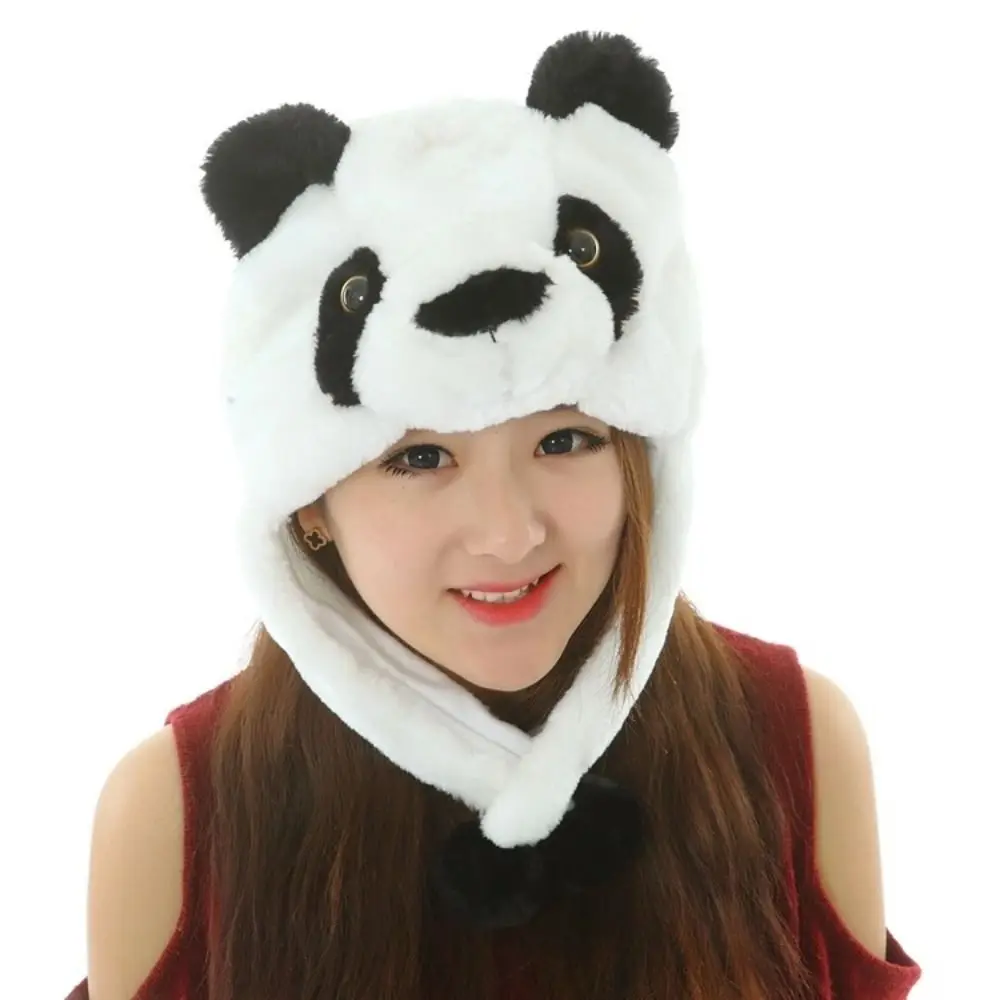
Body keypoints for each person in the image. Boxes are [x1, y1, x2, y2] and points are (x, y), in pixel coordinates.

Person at [68, 30, 923, 1000]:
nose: (509, 532)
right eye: (419, 457)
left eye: (565, 440)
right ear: (309, 504)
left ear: (643, 453)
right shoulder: (172, 819)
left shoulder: (796, 745)